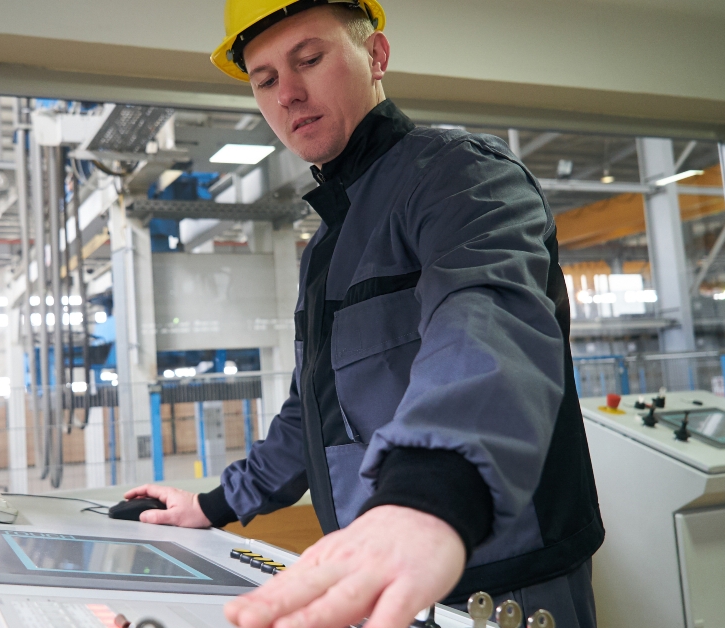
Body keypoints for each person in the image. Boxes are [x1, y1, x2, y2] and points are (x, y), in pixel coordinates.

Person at [125, 2, 604, 627]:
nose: (289, 94)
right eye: (265, 79)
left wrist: (427, 494)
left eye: (309, 59)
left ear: (375, 56)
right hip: (376, 566)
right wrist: (212, 505)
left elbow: (486, 323)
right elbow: (311, 418)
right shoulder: (327, 244)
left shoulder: (462, 176)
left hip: (499, 580)